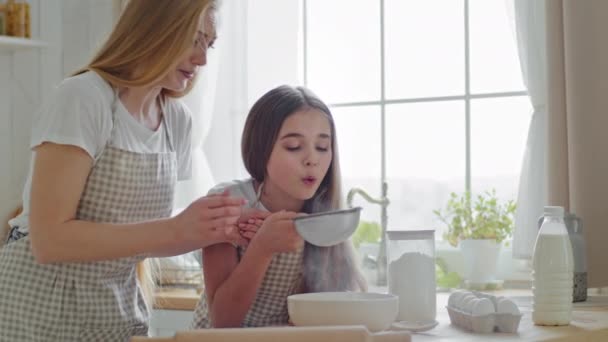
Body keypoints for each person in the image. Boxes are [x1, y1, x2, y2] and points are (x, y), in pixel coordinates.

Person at [0, 1, 258, 340]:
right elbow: (48, 241)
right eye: (194, 39)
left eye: (208, 45)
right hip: (40, 303)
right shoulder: (83, 98)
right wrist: (177, 229)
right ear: (153, 28)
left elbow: (146, 236)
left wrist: (216, 229)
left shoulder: (176, 122)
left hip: (115, 305)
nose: (202, 59)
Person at [191, 85, 367, 328]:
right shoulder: (227, 200)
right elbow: (223, 321)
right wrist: (262, 247)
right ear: (261, 150)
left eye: (322, 147)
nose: (312, 159)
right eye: (294, 146)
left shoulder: (327, 215)